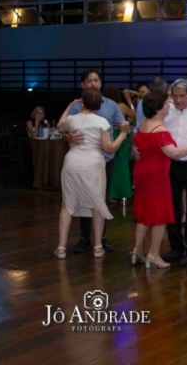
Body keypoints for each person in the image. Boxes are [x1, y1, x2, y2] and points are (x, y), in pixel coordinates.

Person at [134, 79, 187, 266]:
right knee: (171, 207)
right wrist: (137, 148)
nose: (178, 100)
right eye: (175, 96)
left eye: (183, 96)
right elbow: (148, 132)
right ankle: (175, 248)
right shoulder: (165, 109)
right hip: (170, 165)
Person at [54, 88, 130, 259]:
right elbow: (109, 148)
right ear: (98, 105)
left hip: (72, 161)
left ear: (82, 102)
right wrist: (123, 135)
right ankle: (97, 246)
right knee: (97, 203)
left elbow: (59, 126)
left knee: (67, 205)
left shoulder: (72, 119)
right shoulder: (102, 122)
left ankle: (61, 248)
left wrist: (69, 105)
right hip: (93, 163)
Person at [131, 92, 187, 269]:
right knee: (160, 214)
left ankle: (137, 250)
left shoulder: (143, 123)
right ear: (158, 109)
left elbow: (137, 142)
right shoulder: (159, 130)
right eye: (167, 104)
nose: (170, 106)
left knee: (144, 212)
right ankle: (153, 255)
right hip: (156, 174)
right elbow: (173, 153)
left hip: (141, 171)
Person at [65, 69, 126, 253]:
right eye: (89, 81)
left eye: (96, 80)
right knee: (83, 198)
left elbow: (120, 123)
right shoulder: (76, 106)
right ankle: (84, 237)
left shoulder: (111, 105)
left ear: (100, 83)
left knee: (102, 198)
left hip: (105, 159)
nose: (93, 83)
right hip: (82, 160)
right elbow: (63, 128)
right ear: (82, 85)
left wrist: (124, 127)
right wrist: (68, 136)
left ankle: (102, 237)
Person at [104, 86, 135, 203]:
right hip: (120, 135)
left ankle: (109, 194)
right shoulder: (121, 106)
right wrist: (129, 102)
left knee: (111, 165)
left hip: (109, 134)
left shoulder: (105, 107)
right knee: (121, 166)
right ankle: (122, 194)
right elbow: (135, 115)